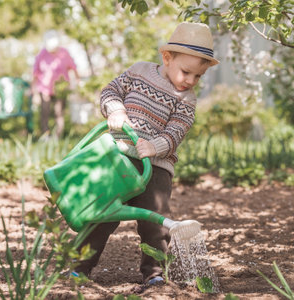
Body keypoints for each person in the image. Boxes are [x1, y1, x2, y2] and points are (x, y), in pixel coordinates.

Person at [74, 22, 219, 289]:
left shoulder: (186, 99)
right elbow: (110, 91)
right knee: (102, 214)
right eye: (186, 72)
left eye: (198, 77)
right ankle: (79, 268)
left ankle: (154, 273)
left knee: (154, 220)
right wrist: (115, 110)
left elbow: (177, 131)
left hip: (156, 167)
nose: (190, 81)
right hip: (119, 158)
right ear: (167, 58)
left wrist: (155, 146)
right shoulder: (138, 71)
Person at [32, 29, 79, 138]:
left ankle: (58, 136)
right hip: (45, 89)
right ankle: (45, 135)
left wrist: (77, 81)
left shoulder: (64, 53)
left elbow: (73, 68)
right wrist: (34, 92)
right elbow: (35, 73)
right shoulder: (42, 54)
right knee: (45, 112)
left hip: (60, 88)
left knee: (59, 113)